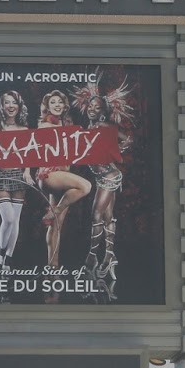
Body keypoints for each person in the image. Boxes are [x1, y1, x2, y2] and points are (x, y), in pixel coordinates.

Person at [74, 82, 135, 302]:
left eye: (97, 107)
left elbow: (127, 139)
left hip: (110, 176)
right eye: (90, 106)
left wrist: (116, 150)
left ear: (103, 111)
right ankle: (109, 256)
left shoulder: (103, 126)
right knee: (108, 217)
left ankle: (92, 257)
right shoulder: (89, 127)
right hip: (101, 177)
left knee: (96, 215)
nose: (92, 110)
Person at [33, 89, 91, 301]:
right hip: (49, 175)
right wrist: (74, 134)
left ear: (65, 106)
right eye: (52, 102)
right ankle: (55, 211)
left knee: (56, 226)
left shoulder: (65, 126)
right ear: (47, 107)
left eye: (60, 102)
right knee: (85, 187)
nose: (57, 105)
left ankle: (53, 269)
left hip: (60, 177)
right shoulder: (46, 125)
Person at [0, 90, 33, 267]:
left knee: (15, 220)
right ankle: (1, 252)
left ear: (19, 106)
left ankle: (7, 260)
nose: (11, 106)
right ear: (2, 106)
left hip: (18, 175)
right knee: (8, 218)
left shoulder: (24, 129)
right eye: (7, 102)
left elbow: (28, 154)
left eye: (14, 102)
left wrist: (27, 171)